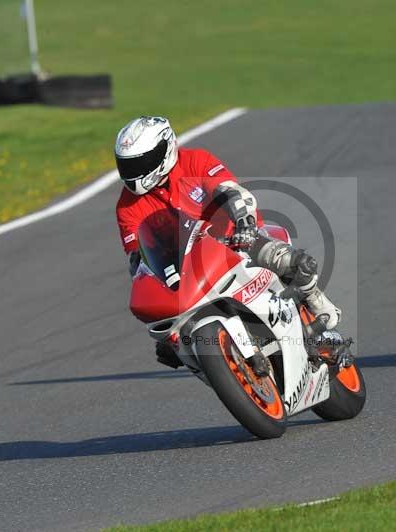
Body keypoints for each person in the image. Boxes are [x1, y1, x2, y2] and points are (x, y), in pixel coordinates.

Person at [114, 116, 341, 367]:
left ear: (165, 148)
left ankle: (320, 314)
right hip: (187, 267)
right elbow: (139, 258)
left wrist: (244, 221)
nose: (134, 172)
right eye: (127, 165)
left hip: (234, 239)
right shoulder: (127, 206)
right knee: (170, 339)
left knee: (292, 262)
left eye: (141, 162)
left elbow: (230, 191)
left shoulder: (196, 160)